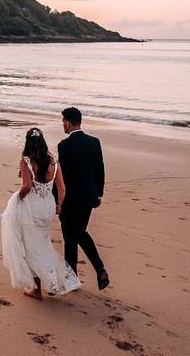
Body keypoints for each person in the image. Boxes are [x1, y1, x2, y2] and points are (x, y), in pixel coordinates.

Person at [1, 127, 81, 299]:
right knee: (43, 245)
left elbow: (27, 186)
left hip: (33, 209)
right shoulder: (53, 161)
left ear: (28, 142)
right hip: (48, 208)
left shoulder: (26, 161)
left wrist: (18, 198)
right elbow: (62, 188)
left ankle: (37, 289)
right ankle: (52, 282)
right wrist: (59, 205)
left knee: (30, 248)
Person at [57, 106, 109, 290]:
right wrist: (98, 194)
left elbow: (62, 177)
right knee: (75, 235)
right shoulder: (94, 142)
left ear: (69, 123)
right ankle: (74, 279)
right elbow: (100, 170)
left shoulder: (64, 146)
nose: (62, 124)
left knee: (73, 236)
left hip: (70, 200)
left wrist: (58, 201)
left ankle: (96, 269)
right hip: (88, 198)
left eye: (63, 121)